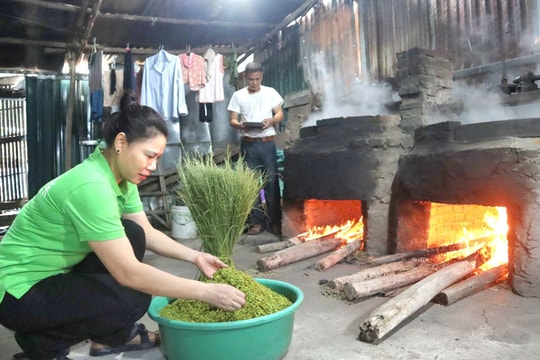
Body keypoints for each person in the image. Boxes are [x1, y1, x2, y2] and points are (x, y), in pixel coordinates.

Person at [0, 91, 246, 360]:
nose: (153, 166)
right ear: (120, 143)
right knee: (134, 295)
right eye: (148, 156)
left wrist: (195, 256)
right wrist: (206, 292)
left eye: (157, 159)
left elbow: (149, 233)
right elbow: (130, 273)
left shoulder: (120, 177)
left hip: (50, 277)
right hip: (17, 293)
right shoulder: (91, 186)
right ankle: (41, 341)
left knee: (133, 234)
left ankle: (108, 339)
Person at [227, 62, 284, 236]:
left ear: (262, 76)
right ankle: (257, 222)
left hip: (267, 143)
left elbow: (280, 114)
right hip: (249, 143)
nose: (254, 83)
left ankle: (275, 221)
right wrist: (241, 125)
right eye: (251, 79)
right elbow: (233, 120)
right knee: (251, 184)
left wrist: (271, 121)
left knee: (272, 182)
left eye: (257, 79)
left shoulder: (270, 92)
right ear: (245, 77)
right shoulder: (238, 95)